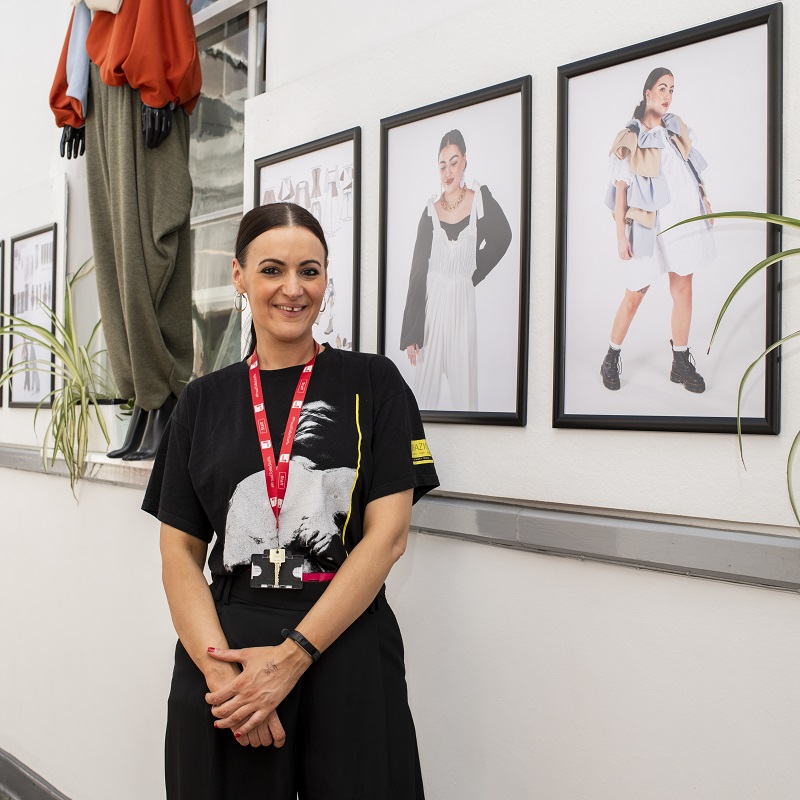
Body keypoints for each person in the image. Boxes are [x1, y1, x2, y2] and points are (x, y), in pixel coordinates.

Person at [143, 202, 439, 799]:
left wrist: (292, 658)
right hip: (226, 651)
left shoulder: (374, 383)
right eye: (272, 269)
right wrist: (226, 680)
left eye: (310, 270)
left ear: (326, 280)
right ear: (239, 276)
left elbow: (388, 538)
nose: (292, 288)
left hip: (343, 642)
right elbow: (179, 553)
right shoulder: (200, 401)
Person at [49, 0, 202, 459]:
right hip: (103, 77)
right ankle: (142, 393)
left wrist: (159, 87)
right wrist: (74, 101)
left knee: (148, 240)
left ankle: (166, 393)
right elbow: (82, 12)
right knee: (115, 247)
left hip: (141, 67)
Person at [601, 68, 715, 393]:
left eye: (672, 90)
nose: (667, 95)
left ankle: (680, 361)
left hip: (680, 222)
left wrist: (705, 200)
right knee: (634, 295)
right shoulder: (631, 136)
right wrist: (621, 236)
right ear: (647, 92)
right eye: (662, 88)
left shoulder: (673, 130)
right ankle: (611, 355)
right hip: (647, 227)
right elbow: (620, 190)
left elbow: (690, 171)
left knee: (683, 290)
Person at [400, 129, 512, 411]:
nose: (448, 171)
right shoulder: (429, 212)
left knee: (465, 395)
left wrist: (472, 275)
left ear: (464, 161)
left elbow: (503, 237)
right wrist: (412, 332)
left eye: (453, 162)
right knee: (424, 397)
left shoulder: (479, 201)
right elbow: (417, 272)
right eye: (442, 164)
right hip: (432, 305)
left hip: (463, 305)